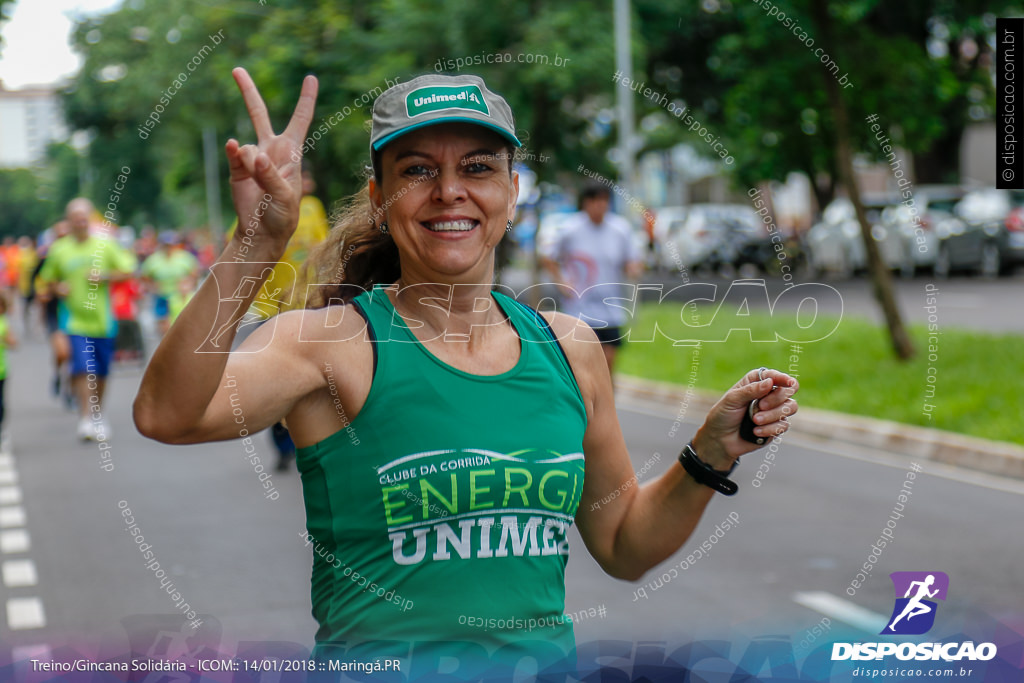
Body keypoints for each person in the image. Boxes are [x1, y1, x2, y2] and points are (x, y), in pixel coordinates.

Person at [134, 69, 798, 675]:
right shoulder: (330, 344)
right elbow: (168, 413)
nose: (450, 191)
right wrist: (258, 241)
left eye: (477, 167)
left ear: (510, 191)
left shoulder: (568, 348)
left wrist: (710, 453)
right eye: (417, 169)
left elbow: (625, 542)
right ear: (380, 196)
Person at [39, 199, 137, 440]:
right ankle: (85, 417)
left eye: (85, 217)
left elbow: (129, 269)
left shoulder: (105, 245)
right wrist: (57, 287)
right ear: (69, 221)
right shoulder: (60, 249)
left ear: (90, 219)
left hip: (103, 321)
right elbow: (46, 280)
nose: (81, 222)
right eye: (76, 217)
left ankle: (97, 414)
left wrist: (105, 275)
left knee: (101, 372)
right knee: (83, 368)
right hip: (73, 321)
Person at [540, 182, 644, 381]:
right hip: (579, 310)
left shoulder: (620, 229)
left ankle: (606, 408)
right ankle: (584, 408)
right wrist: (561, 281)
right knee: (581, 368)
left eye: (603, 201)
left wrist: (633, 267)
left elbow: (633, 260)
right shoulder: (570, 229)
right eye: (594, 201)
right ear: (586, 203)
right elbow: (548, 257)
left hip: (611, 310)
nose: (599, 206)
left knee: (607, 366)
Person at [141, 231, 200, 337]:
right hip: (162, 297)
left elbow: (195, 275)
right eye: (166, 245)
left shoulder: (185, 258)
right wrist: (153, 288)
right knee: (165, 328)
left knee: (184, 326)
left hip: (181, 297)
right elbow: (145, 278)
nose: (168, 248)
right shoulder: (154, 260)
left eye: (171, 245)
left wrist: (188, 286)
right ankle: (168, 348)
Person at [0, 295, 15, 455]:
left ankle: (1, 430)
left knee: (1, 404)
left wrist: (4, 339)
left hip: (1, 371)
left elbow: (14, 343)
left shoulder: (4, 323)